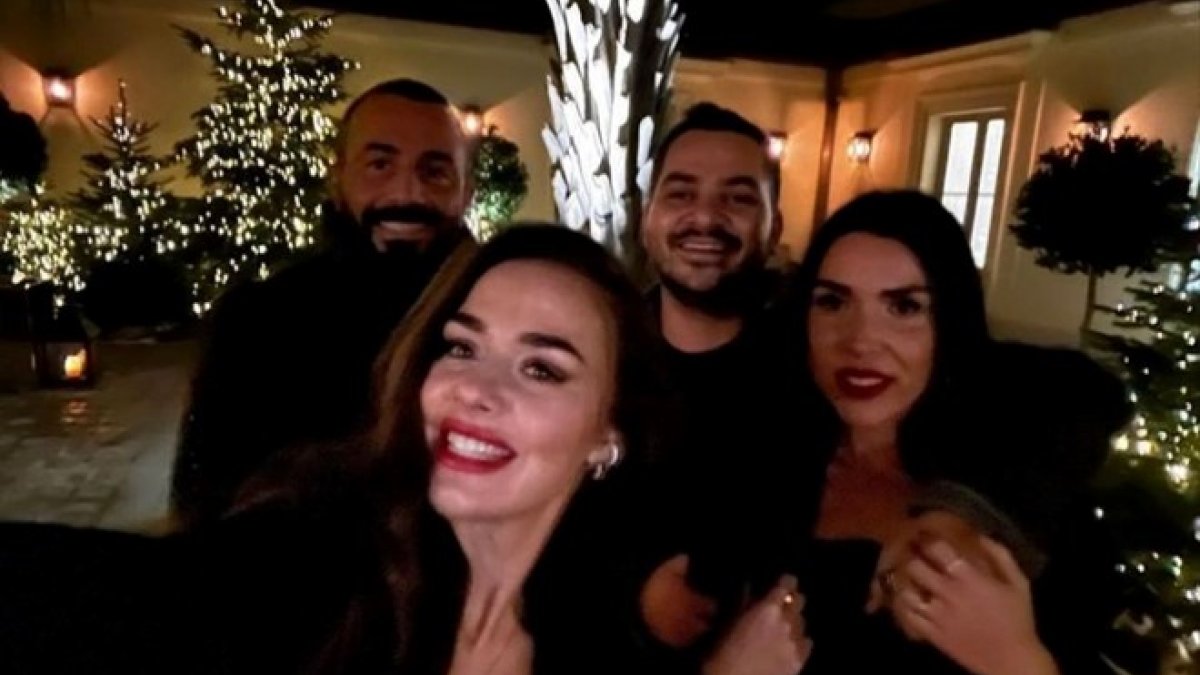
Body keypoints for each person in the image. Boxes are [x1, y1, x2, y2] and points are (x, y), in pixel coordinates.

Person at [642, 190, 1132, 674]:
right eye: (833, 301)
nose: (860, 341)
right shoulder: (757, 448)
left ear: (949, 322)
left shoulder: (1019, 480)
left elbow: (1089, 390)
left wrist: (1015, 659)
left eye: (904, 307)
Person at [171, 77, 476, 528]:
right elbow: (205, 506)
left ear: (466, 191)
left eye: (435, 172)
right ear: (339, 178)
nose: (407, 193)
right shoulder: (259, 321)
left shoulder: (503, 319)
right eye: (379, 165)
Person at [634, 101, 814, 673]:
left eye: (738, 198)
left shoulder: (812, 372)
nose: (705, 218)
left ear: (774, 227)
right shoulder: (597, 358)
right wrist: (633, 590)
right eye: (680, 193)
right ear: (647, 217)